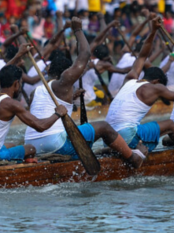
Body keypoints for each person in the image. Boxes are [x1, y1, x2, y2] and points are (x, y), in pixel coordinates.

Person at [25, 20, 145, 167]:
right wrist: (78, 30)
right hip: (54, 144)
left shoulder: (35, 92)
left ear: (48, 71)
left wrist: (71, 98)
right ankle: (133, 158)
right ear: (66, 73)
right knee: (103, 127)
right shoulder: (63, 82)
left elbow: (43, 109)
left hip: (31, 146)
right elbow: (85, 54)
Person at [105, 16, 174, 159]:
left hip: (109, 139)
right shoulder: (156, 88)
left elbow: (143, 55)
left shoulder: (130, 78)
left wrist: (154, 30)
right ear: (156, 81)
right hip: (126, 136)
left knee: (152, 127)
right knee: (170, 124)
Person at [0, 62, 60, 166]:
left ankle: (16, 160)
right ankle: (24, 164)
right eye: (21, 83)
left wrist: (19, 54)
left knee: (11, 145)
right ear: (16, 83)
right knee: (30, 148)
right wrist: (57, 114)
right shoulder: (12, 104)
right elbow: (40, 126)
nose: (20, 87)